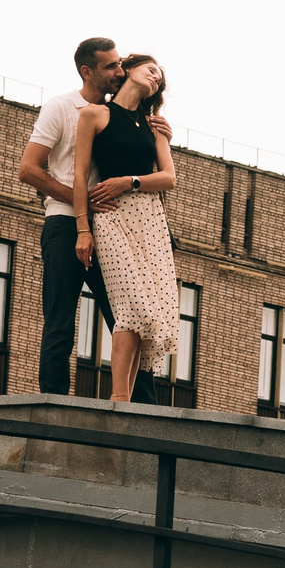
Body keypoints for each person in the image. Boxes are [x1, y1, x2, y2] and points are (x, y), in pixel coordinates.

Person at [18, 36, 168, 400]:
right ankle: (53, 402)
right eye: (110, 66)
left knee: (130, 314)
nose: (119, 71)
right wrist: (83, 203)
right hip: (65, 222)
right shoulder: (62, 107)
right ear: (87, 71)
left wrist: (160, 134)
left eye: (120, 64)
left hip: (111, 227)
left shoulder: (121, 114)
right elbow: (28, 169)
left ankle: (143, 405)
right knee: (60, 322)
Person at [72, 54, 177, 402]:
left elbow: (169, 178)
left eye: (159, 78)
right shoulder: (94, 114)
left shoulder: (154, 125)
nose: (155, 78)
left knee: (148, 313)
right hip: (111, 217)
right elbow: (79, 176)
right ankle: (118, 399)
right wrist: (83, 229)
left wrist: (128, 181)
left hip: (150, 220)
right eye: (151, 70)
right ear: (129, 69)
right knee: (131, 307)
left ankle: (124, 401)